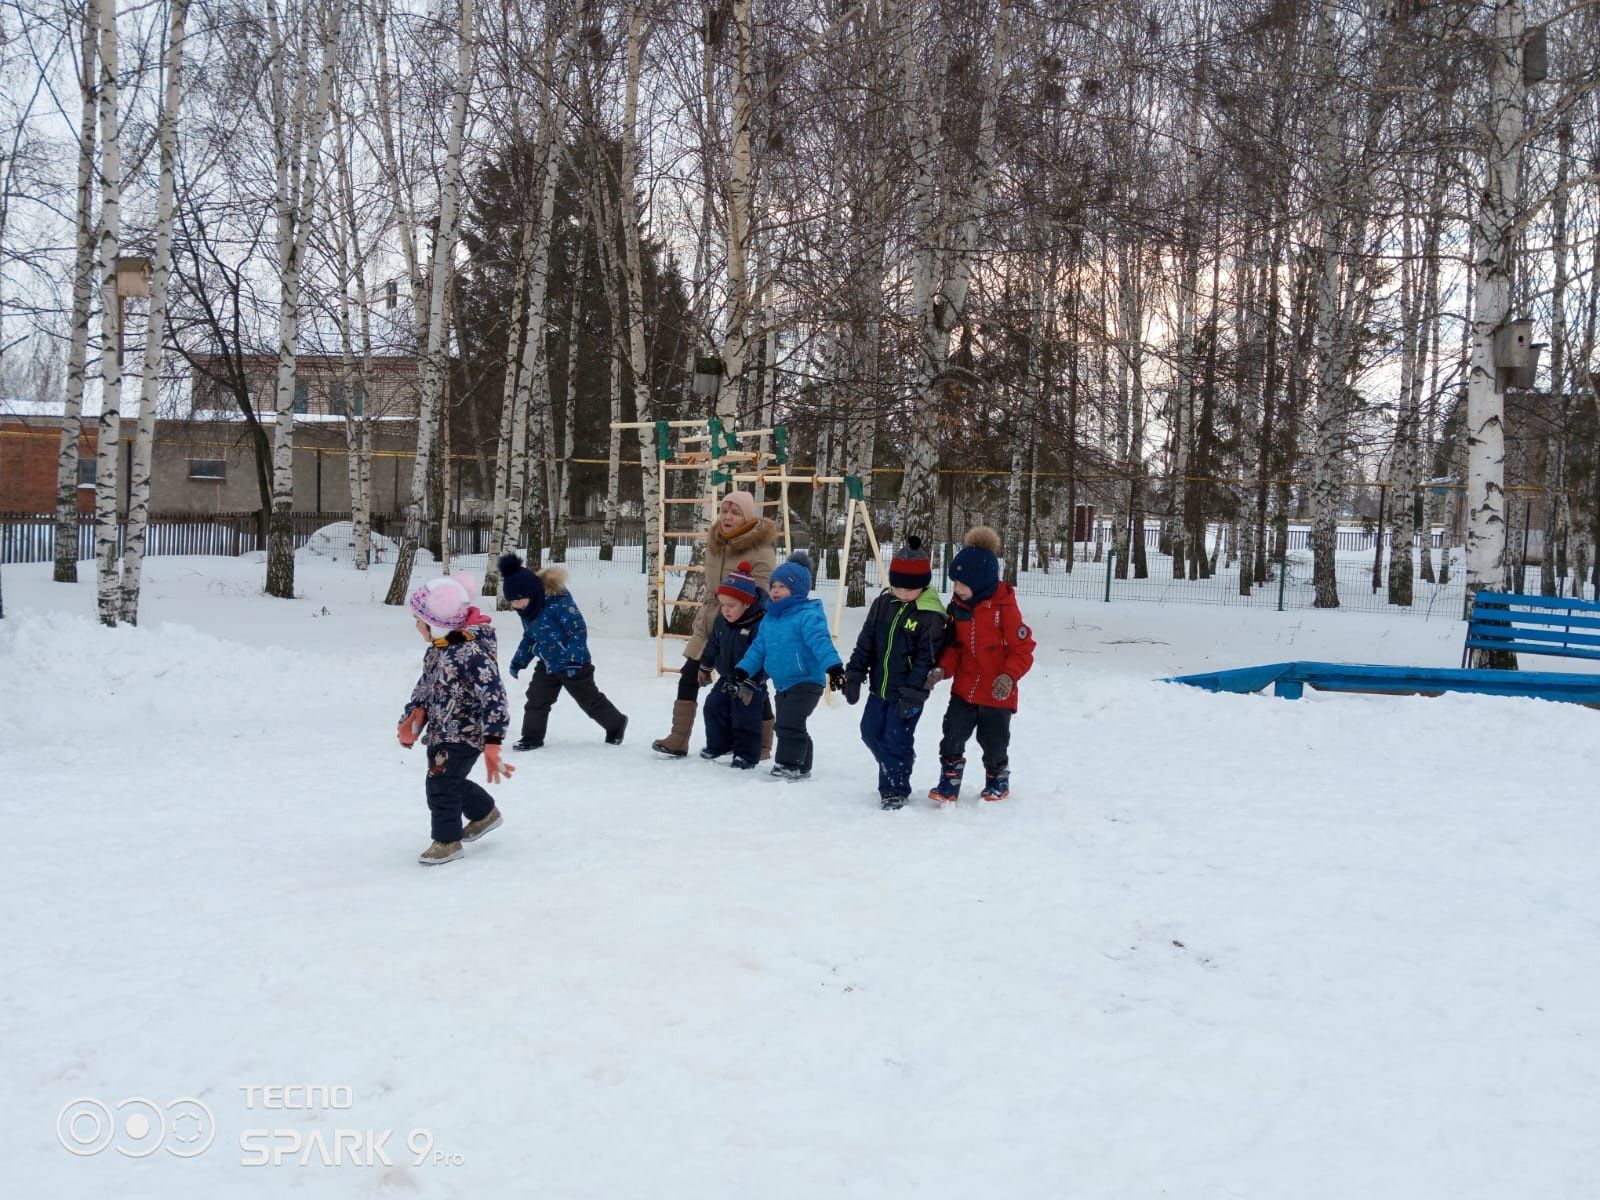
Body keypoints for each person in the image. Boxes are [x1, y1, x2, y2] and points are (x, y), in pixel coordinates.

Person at [398, 572, 515, 866]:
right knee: (448, 780)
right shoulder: (439, 650)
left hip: (467, 732)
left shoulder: (471, 653)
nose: (416, 626)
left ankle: (447, 841)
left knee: (440, 784)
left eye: (419, 620)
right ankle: (485, 813)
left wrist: (492, 742)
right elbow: (425, 687)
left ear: (437, 623)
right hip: (442, 730)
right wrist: (412, 717)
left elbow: (495, 696)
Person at [652, 491, 779, 759]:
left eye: (735, 512)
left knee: (751, 684)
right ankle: (678, 738)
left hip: (742, 627)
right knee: (690, 673)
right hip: (709, 620)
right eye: (724, 510)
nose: (727, 517)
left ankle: (764, 744)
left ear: (747, 517)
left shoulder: (760, 550)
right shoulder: (716, 542)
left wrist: (741, 615)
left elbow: (763, 595)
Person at [926, 526, 1035, 803]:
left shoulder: (1005, 609)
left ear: (980, 582)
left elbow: (1023, 649)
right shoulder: (957, 607)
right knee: (951, 735)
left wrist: (1008, 677)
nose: (956, 589)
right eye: (954, 583)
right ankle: (949, 783)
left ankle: (997, 780)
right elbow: (953, 647)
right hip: (965, 688)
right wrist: (943, 670)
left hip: (997, 693)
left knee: (994, 743)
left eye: (961, 583)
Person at [841, 537, 947, 809]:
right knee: (869, 731)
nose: (901, 592)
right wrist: (854, 673)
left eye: (909, 588)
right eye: (897, 585)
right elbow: (867, 640)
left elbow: (927, 659)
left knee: (895, 738)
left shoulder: (929, 614)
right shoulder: (883, 603)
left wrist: (914, 694)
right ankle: (898, 761)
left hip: (907, 693)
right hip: (879, 688)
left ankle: (895, 788)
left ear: (923, 584)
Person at [734, 552, 845, 780]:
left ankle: (788, 764)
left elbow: (820, 642)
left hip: (806, 681)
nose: (774, 590)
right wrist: (743, 669)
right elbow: (758, 648)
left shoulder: (808, 615)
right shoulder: (770, 618)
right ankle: (803, 764)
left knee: (788, 723)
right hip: (783, 683)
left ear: (798, 589)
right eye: (773, 585)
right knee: (790, 724)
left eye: (782, 586)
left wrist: (833, 668)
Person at [500, 555, 627, 751]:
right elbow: (530, 637)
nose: (516, 606)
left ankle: (616, 723)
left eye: (519, 600)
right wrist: (519, 661)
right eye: (512, 602)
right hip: (547, 663)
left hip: (573, 663)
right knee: (536, 699)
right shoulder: (528, 612)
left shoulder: (559, 602)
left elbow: (577, 630)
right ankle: (531, 737)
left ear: (532, 592)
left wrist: (574, 659)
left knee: (589, 701)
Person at [697, 561, 768, 769]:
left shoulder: (759, 624)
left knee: (745, 715)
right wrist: (705, 666)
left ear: (747, 603)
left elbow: (764, 656)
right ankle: (719, 745)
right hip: (728, 676)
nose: (725, 610)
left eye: (731, 606)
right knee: (713, 706)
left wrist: (753, 682)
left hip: (751, 681)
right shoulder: (722, 621)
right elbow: (713, 645)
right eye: (723, 605)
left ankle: (746, 754)